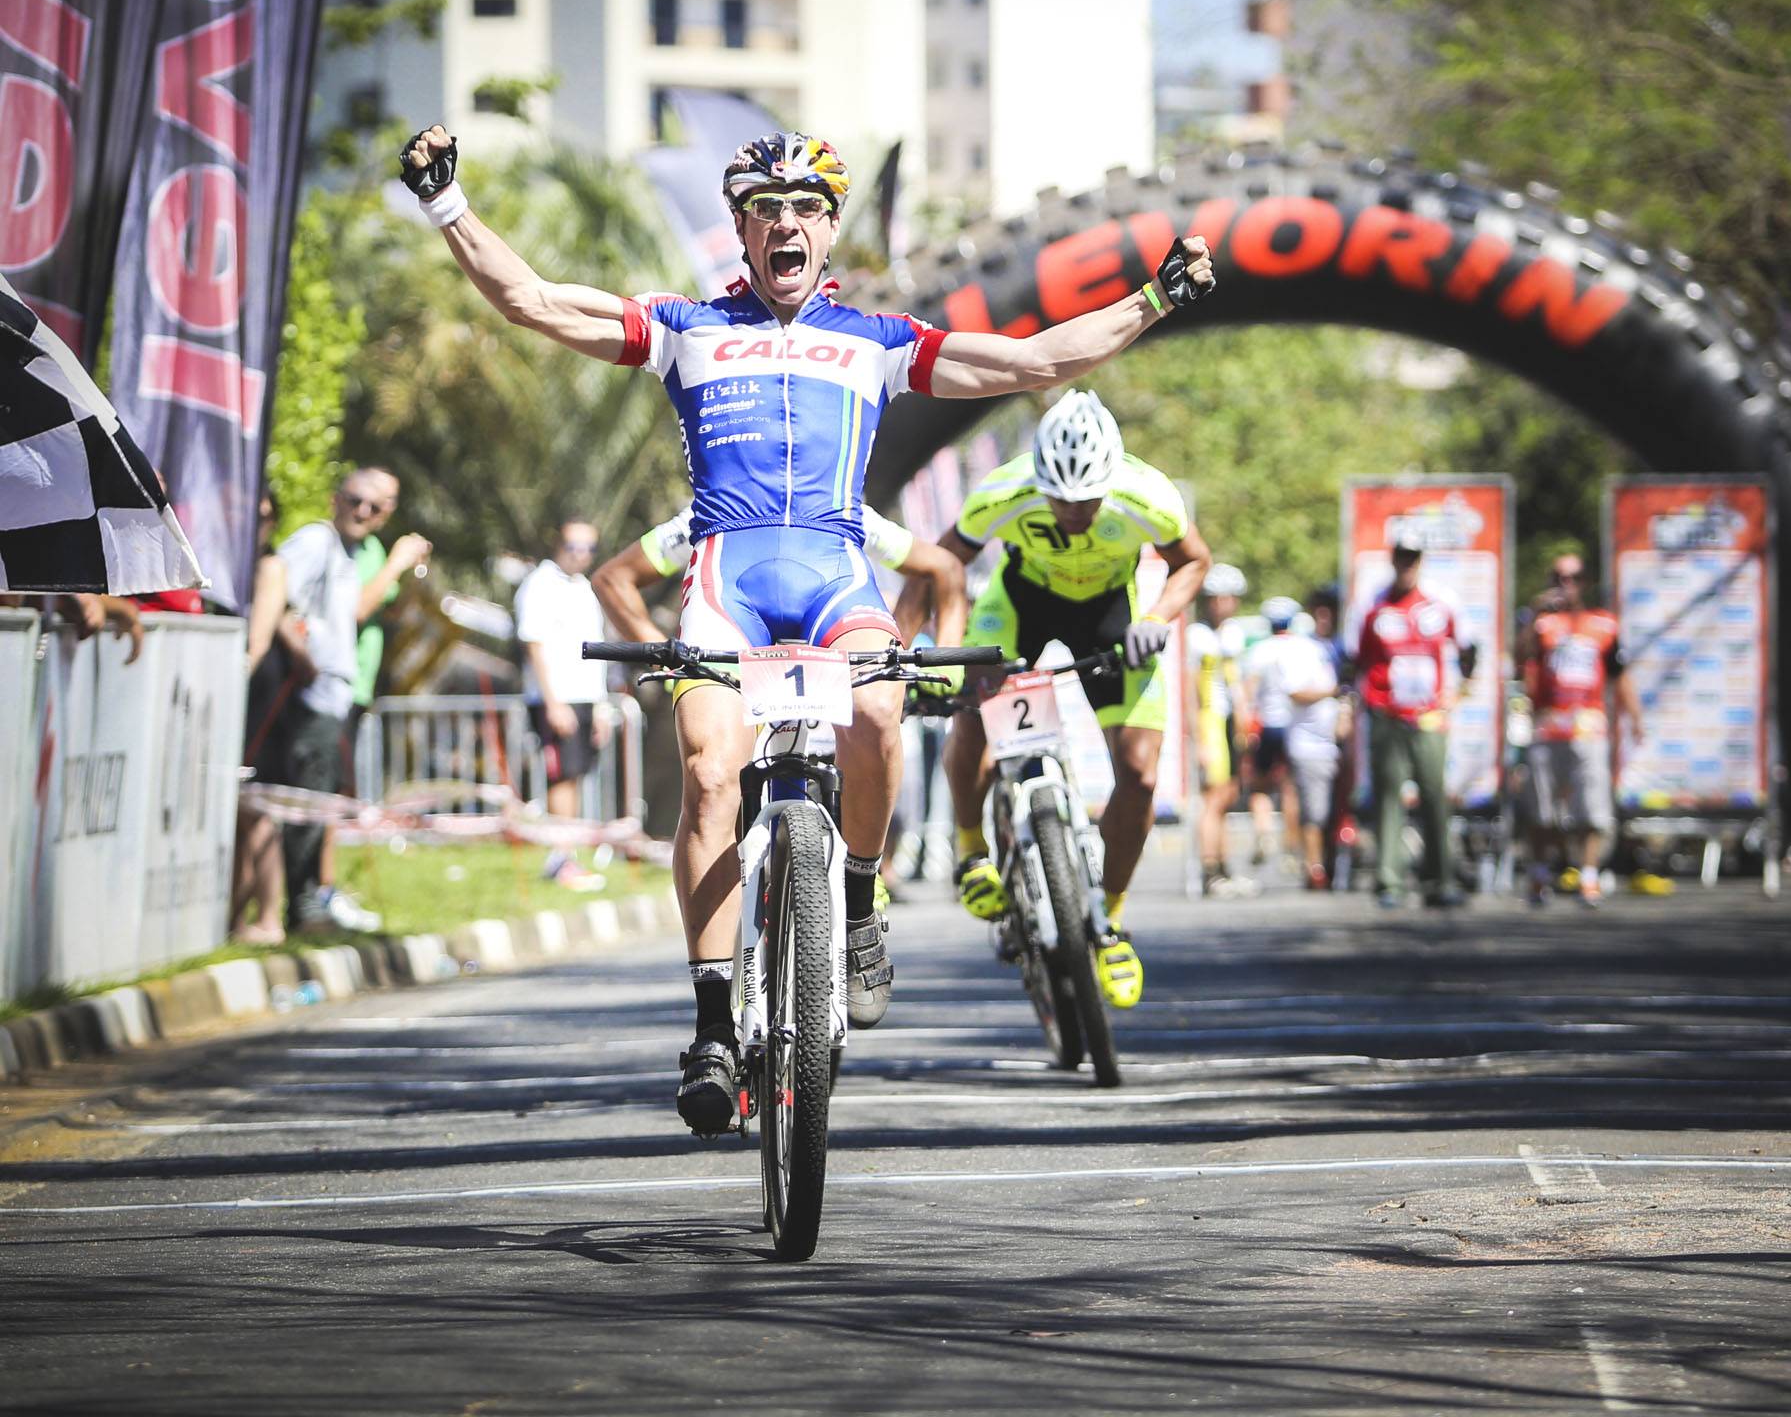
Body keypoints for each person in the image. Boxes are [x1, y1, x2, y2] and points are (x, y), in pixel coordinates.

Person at [400, 122, 1214, 1135]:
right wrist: (444, 202)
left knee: (878, 717)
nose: (786, 225)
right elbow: (533, 300)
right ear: (742, 230)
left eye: (805, 210)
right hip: (725, 577)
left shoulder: (874, 343)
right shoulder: (686, 327)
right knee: (706, 773)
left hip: (835, 575)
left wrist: (1155, 299)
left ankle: (861, 905)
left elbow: (1038, 358)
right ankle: (708, 1026)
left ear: (828, 232)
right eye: (765, 210)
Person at [938, 392, 1212, 1006]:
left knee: (1139, 774)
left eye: (1086, 500)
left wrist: (1161, 616)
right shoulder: (1004, 491)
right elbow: (943, 561)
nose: (1072, 511)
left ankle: (1109, 919)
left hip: (1110, 617)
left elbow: (1194, 562)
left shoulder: (1149, 494)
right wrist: (948, 649)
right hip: (1019, 606)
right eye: (1059, 498)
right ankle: (970, 848)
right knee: (971, 709)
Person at [593, 498, 966, 914]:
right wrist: (675, 662)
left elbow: (942, 566)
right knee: (724, 803)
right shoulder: (714, 512)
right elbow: (612, 579)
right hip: (754, 704)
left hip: (833, 709)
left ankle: (865, 885)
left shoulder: (844, 508)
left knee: (872, 779)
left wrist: (900, 654)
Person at [275, 471, 415, 933]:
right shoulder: (317, 540)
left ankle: (313, 899)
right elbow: (272, 589)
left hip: (337, 691)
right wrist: (296, 650)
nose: (363, 512)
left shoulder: (352, 552)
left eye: (376, 507)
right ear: (336, 499)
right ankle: (301, 905)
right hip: (309, 693)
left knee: (323, 801)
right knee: (307, 800)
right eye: (356, 501)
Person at [1520, 552, 1641, 904]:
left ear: (1585, 583)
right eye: (1558, 578)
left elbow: (1620, 676)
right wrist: (1534, 612)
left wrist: (1635, 718)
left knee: (1592, 808)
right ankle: (1539, 875)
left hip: (1588, 729)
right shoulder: (1541, 625)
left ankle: (1588, 875)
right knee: (1541, 809)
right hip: (1548, 728)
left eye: (1572, 578)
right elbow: (1519, 657)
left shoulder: (1603, 624)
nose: (1565, 586)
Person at [1354, 524, 1466, 908]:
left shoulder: (1441, 602)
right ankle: (1389, 880)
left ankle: (1440, 879)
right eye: (1401, 556)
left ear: (1421, 561)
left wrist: (1459, 692)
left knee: (1435, 795)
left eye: (1412, 558)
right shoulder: (1373, 604)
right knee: (1388, 798)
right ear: (1392, 558)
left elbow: (1468, 651)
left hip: (1429, 716)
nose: (1406, 564)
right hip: (1386, 713)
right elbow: (1355, 658)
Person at [513, 519, 612, 889]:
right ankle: (561, 857)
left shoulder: (584, 588)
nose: (580, 555)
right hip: (556, 697)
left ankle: (567, 854)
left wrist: (601, 706)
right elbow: (534, 645)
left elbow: (595, 651)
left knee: (576, 776)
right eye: (573, 546)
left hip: (585, 696)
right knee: (562, 779)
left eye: (588, 548)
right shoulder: (540, 584)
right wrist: (553, 703)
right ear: (559, 544)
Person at [230, 494, 310, 944]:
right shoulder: (232, 564)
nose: (255, 524)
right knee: (242, 812)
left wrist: (233, 678)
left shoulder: (270, 566)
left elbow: (257, 643)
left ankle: (268, 918)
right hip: (248, 696)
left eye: (263, 517)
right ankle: (237, 919)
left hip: (263, 697)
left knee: (258, 811)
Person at [1246, 596, 1342, 889]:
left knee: (1260, 786)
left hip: (1268, 725)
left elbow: (1249, 689)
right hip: (1292, 726)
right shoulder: (1305, 647)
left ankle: (1265, 830)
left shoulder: (1259, 650)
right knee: (1291, 790)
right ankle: (1291, 846)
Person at [1185, 562, 1254, 895]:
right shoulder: (1197, 636)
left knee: (1228, 795)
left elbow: (1239, 683)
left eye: (1229, 598)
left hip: (1229, 722)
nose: (1222, 604)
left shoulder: (1233, 633)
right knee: (1213, 797)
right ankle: (1210, 870)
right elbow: (1191, 688)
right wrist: (1198, 738)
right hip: (1210, 720)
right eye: (1217, 598)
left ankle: (1225, 867)